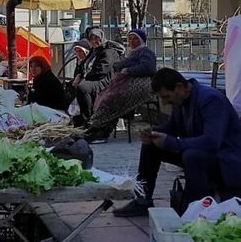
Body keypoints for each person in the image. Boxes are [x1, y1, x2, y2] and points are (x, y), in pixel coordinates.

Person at [113, 68, 241, 217]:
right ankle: (142, 200)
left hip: (225, 160)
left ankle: (192, 209)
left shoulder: (211, 99)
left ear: (180, 87)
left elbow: (212, 142)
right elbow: (173, 127)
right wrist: (153, 132)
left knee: (192, 156)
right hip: (201, 153)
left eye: (166, 96)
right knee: (152, 146)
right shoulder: (182, 101)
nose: (165, 102)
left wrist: (170, 142)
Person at [85, 29, 158, 143]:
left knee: (112, 98)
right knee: (105, 96)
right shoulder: (133, 53)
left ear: (141, 40)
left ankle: (103, 131)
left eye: (135, 39)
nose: (132, 41)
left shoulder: (145, 52)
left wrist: (128, 71)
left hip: (143, 85)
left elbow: (148, 68)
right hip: (128, 83)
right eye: (130, 38)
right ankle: (97, 127)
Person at [72, 28, 119, 127]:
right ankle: (76, 119)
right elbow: (84, 66)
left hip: (104, 81)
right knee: (71, 87)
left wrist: (85, 77)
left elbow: (102, 71)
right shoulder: (94, 52)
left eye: (96, 38)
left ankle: (88, 119)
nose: (94, 41)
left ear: (102, 38)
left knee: (83, 88)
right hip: (93, 78)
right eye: (92, 39)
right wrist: (79, 75)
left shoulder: (108, 51)